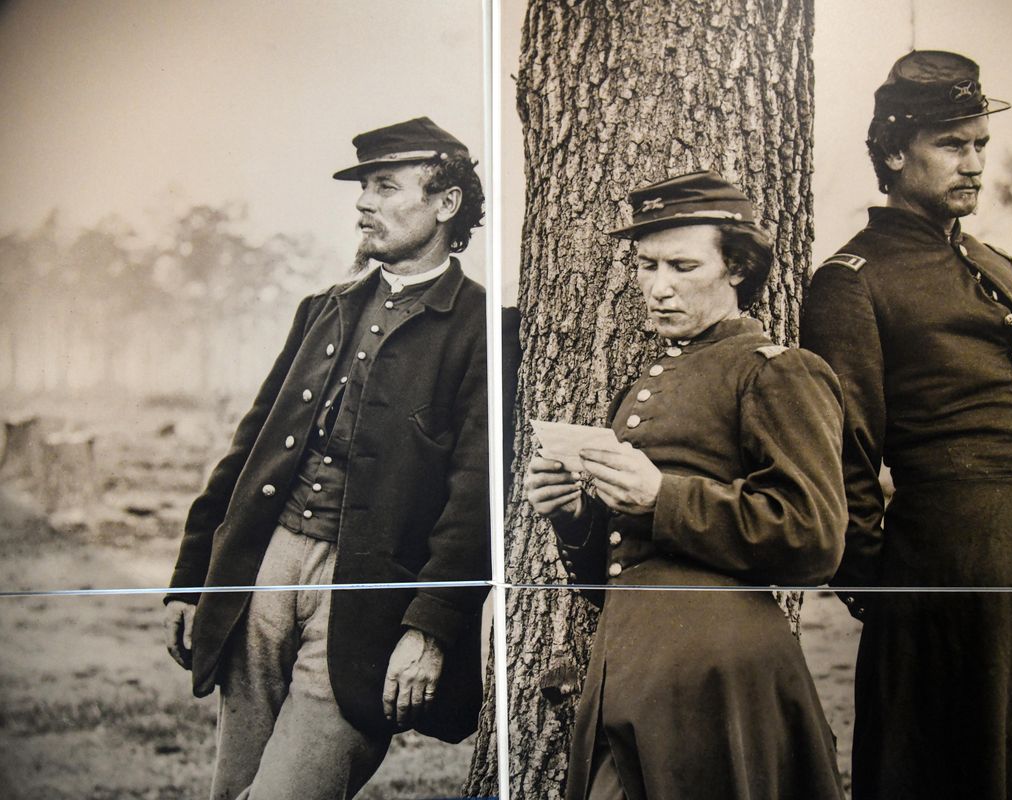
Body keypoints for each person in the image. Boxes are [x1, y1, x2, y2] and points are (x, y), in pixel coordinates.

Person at [802, 51, 1012, 800]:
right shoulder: (852, 280)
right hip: (947, 578)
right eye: (952, 145)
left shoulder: (996, 263)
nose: (974, 164)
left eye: (980, 145)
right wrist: (886, 593)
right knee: (957, 776)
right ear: (894, 152)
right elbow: (845, 458)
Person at [162, 117, 490, 800]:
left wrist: (429, 629)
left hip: (368, 599)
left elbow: (475, 500)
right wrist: (193, 577)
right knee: (234, 789)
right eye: (363, 188)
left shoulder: (482, 330)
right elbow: (249, 449)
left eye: (385, 186)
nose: (364, 204)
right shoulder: (324, 308)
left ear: (446, 202)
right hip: (265, 568)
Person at [527, 171, 848, 800]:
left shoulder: (778, 374)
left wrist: (662, 497)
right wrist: (574, 517)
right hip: (628, 668)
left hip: (717, 678)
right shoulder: (640, 387)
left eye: (682, 265)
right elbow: (618, 574)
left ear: (736, 269)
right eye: (646, 266)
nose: (658, 286)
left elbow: (815, 537)